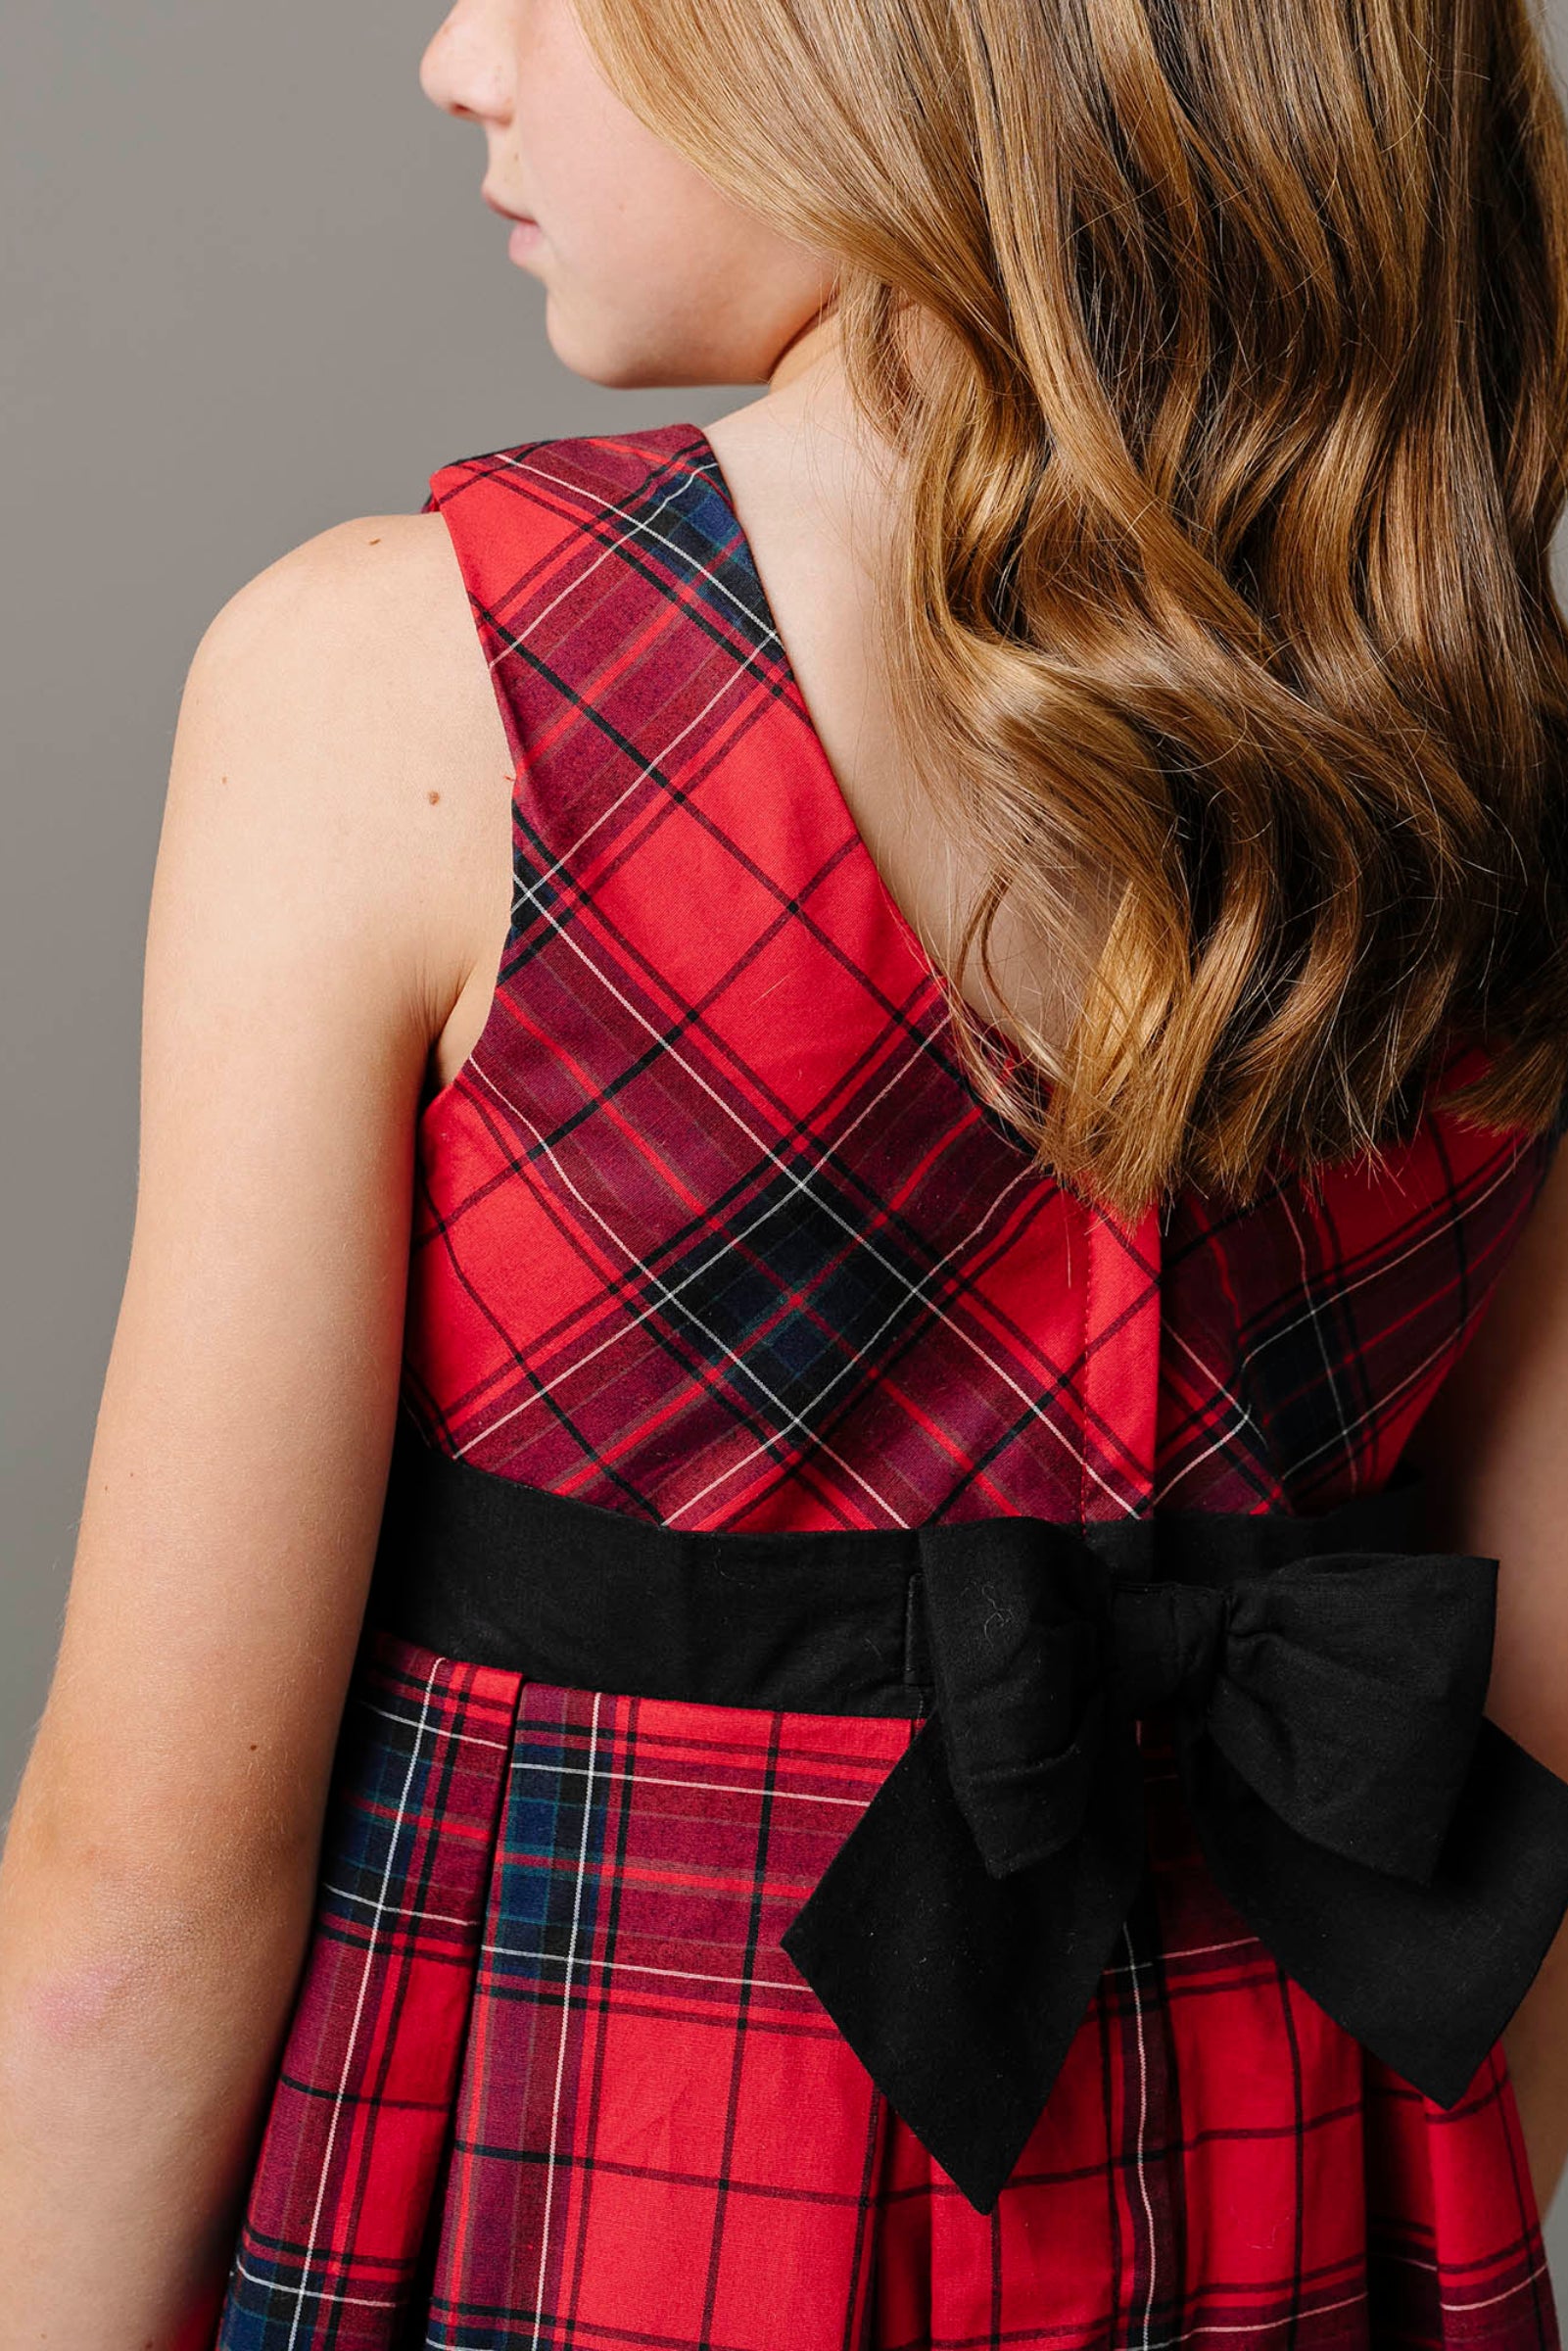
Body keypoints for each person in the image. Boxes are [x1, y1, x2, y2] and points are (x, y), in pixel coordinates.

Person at [8, 0, 1568, 2341]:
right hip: (1278, 2226)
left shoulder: (417, 693)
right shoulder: (1498, 757)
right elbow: (1538, 1717)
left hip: (591, 2209)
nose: (459, 59)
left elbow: (139, 1896)